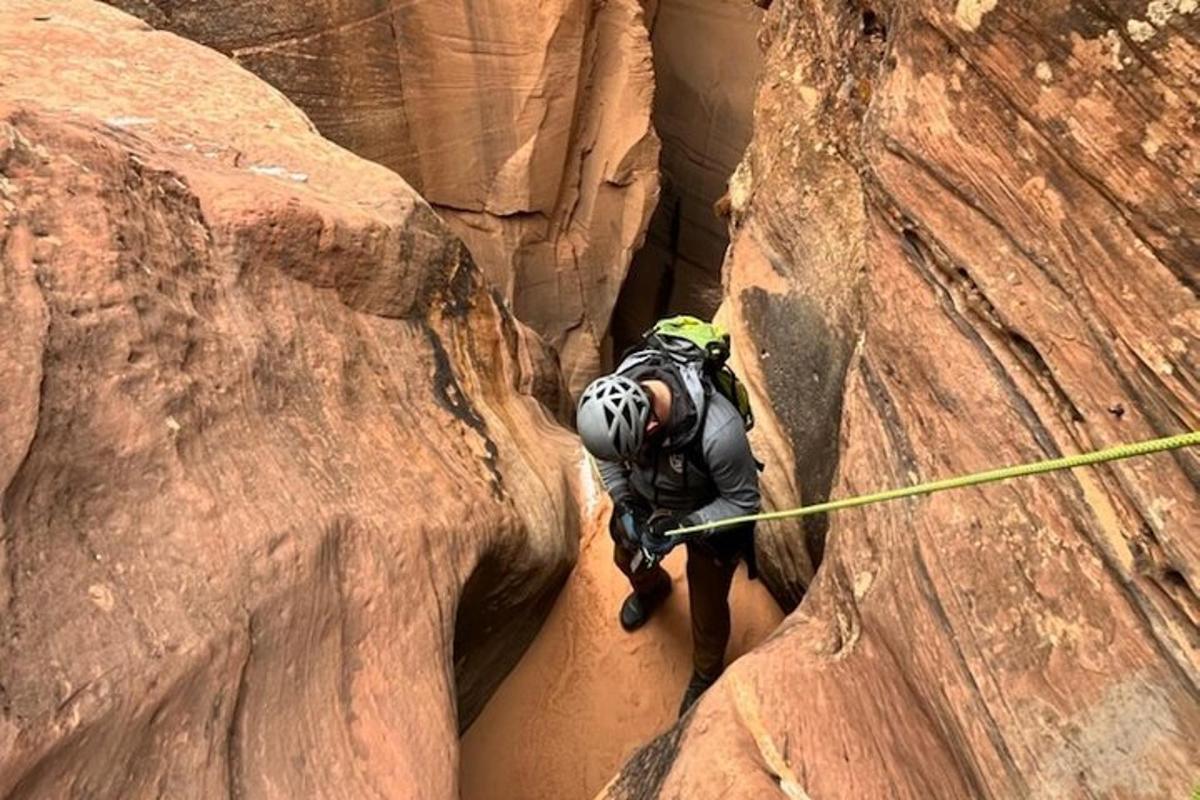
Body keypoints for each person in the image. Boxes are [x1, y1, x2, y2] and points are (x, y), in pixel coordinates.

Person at [576, 349, 760, 717]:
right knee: (626, 558)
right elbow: (608, 459)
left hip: (709, 512)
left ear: (651, 429)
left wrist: (685, 527)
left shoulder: (719, 433)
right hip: (646, 498)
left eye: (636, 450)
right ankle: (653, 587)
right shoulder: (619, 393)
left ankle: (706, 673)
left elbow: (744, 502)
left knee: (707, 605)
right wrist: (625, 501)